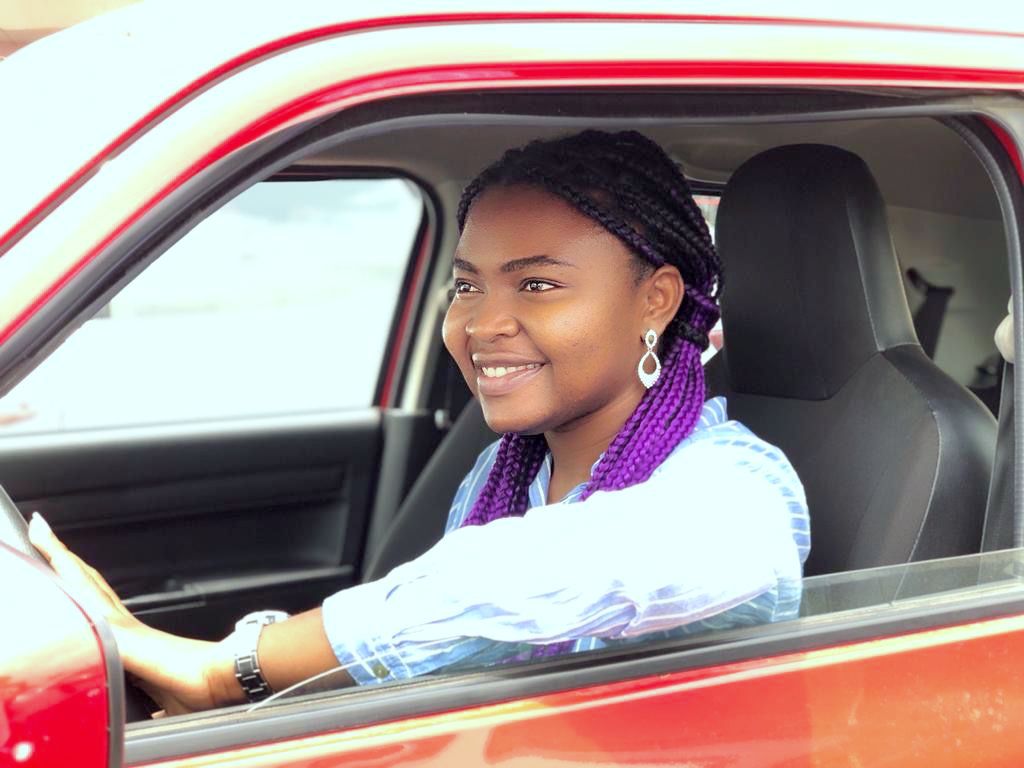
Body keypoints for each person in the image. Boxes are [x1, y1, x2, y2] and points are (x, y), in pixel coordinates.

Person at [28, 129, 809, 716]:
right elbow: (433, 645)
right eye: (468, 287)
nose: (481, 323)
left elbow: (496, 588)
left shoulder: (731, 496)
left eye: (536, 284)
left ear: (656, 300)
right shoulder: (510, 466)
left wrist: (221, 669)